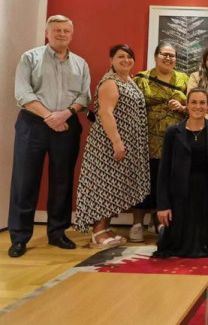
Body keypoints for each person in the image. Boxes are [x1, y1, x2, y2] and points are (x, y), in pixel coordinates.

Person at [8, 15, 91, 258]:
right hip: (33, 124)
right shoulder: (30, 58)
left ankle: (57, 232)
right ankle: (20, 237)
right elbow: (23, 93)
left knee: (62, 180)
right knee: (25, 181)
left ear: (71, 34)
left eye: (66, 30)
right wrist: (49, 117)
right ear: (47, 33)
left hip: (67, 124)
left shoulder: (80, 63)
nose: (61, 34)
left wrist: (64, 115)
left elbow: (84, 97)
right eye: (56, 30)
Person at [74, 45, 150, 247]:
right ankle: (97, 233)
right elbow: (105, 113)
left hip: (123, 144)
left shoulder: (129, 81)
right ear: (111, 60)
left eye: (129, 57)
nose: (125, 60)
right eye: (120, 57)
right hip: (107, 145)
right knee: (103, 187)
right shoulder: (110, 82)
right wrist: (116, 141)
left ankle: (105, 228)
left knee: (113, 188)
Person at [154, 89, 208, 258]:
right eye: (193, 102)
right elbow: (164, 170)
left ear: (207, 105)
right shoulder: (173, 132)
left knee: (207, 241)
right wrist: (163, 205)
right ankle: (164, 232)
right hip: (179, 194)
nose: (198, 106)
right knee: (173, 243)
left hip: (206, 193)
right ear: (187, 105)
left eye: (202, 102)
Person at [132, 42, 189, 243]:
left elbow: (193, 106)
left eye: (172, 56)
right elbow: (130, 107)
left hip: (175, 140)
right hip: (146, 139)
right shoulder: (142, 79)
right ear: (155, 56)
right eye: (164, 54)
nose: (168, 58)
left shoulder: (183, 78)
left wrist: (182, 108)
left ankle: (159, 219)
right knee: (145, 180)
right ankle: (137, 223)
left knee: (167, 180)